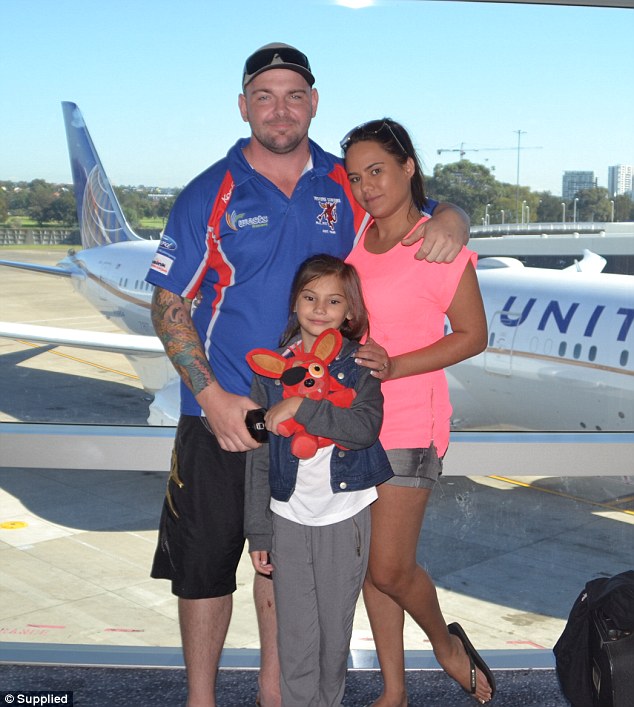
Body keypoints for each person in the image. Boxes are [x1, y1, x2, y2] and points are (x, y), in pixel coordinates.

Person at [145, 42, 470, 707]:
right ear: (243, 107)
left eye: (294, 95)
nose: (280, 109)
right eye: (264, 97)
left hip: (313, 419)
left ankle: (278, 693)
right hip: (221, 411)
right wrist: (210, 395)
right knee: (204, 569)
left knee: (285, 565)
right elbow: (168, 301)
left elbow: (412, 209)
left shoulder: (343, 183)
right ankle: (201, 700)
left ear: (314, 103)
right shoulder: (210, 191)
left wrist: (454, 216)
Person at [342, 118, 494, 706]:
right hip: (356, 423)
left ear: (408, 167)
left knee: (389, 567)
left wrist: (395, 365)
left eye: (378, 171)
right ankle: (394, 691)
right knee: (371, 569)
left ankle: (445, 645)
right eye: (357, 177)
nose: (367, 187)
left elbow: (473, 335)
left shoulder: (438, 245)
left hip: (409, 422)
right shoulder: (359, 235)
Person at [244, 254, 393, 706]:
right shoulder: (272, 370)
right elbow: (260, 458)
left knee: (333, 639)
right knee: (295, 638)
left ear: (350, 311)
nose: (320, 309)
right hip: (287, 517)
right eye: (310, 297)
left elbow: (364, 429)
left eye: (333, 300)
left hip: (343, 517)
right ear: (295, 302)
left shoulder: (361, 365)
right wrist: (258, 531)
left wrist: (303, 408)